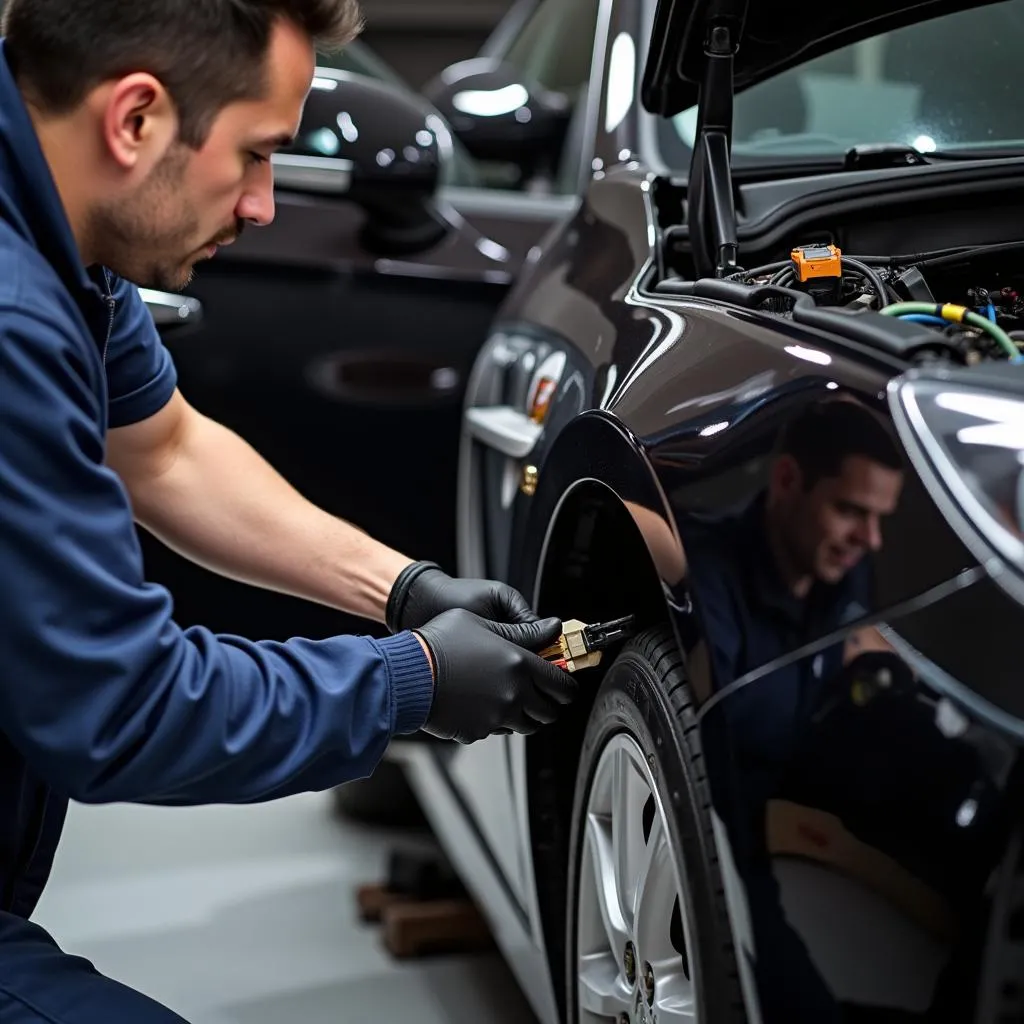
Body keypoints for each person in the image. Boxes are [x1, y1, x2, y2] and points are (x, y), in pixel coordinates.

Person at [0, 1, 577, 1019]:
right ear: (134, 119)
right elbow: (120, 708)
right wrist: (414, 682)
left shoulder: (57, 233)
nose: (267, 205)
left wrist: (404, 591)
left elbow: (167, 449)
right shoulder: (10, 316)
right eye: (257, 154)